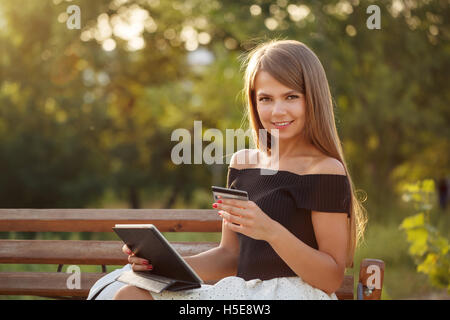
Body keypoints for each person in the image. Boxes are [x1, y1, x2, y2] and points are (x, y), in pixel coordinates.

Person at [89, 39, 367, 300]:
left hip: (293, 293)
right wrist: (164, 266)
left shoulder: (324, 170)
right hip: (242, 293)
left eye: (291, 97)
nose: (277, 111)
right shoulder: (242, 164)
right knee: (129, 293)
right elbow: (230, 256)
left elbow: (331, 278)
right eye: (266, 99)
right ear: (254, 102)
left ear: (312, 99)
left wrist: (270, 230)